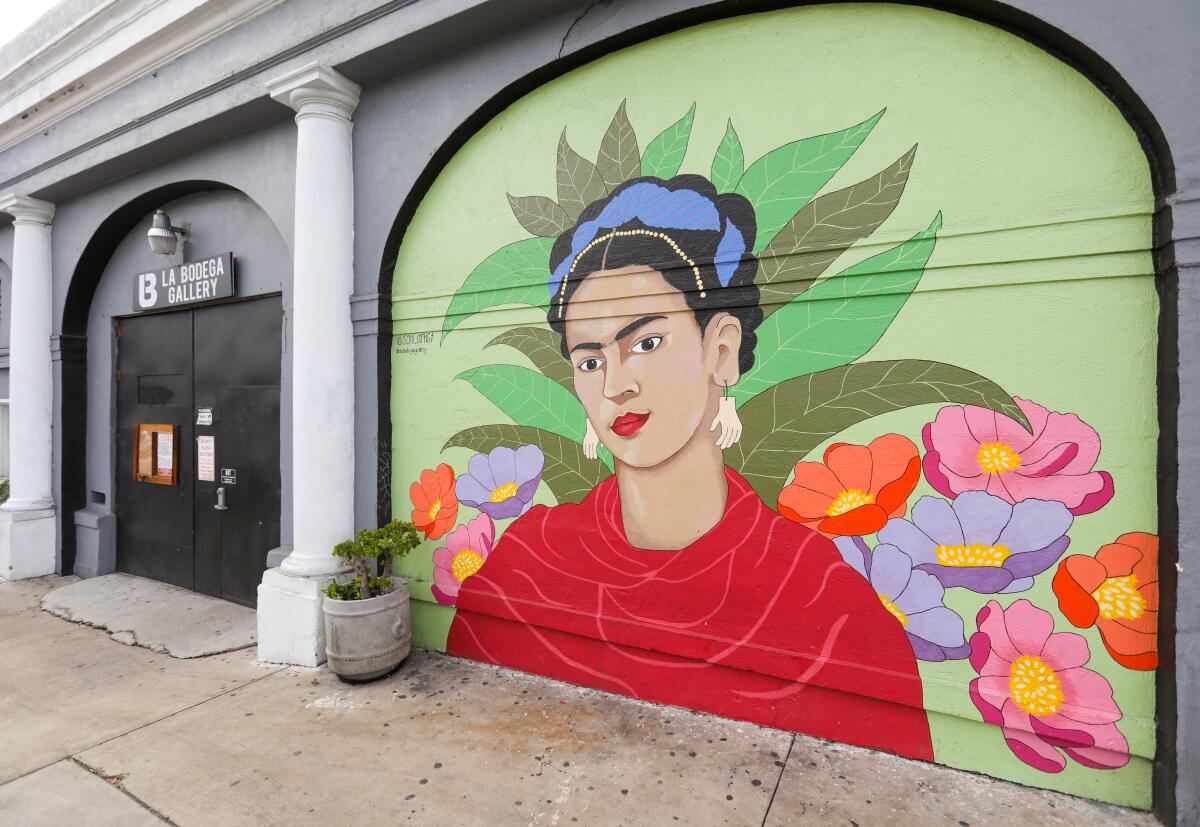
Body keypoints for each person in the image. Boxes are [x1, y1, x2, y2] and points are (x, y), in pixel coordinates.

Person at [446, 175, 934, 760]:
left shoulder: (821, 601)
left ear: (720, 349)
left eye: (646, 343)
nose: (617, 385)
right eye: (590, 358)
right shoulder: (527, 561)